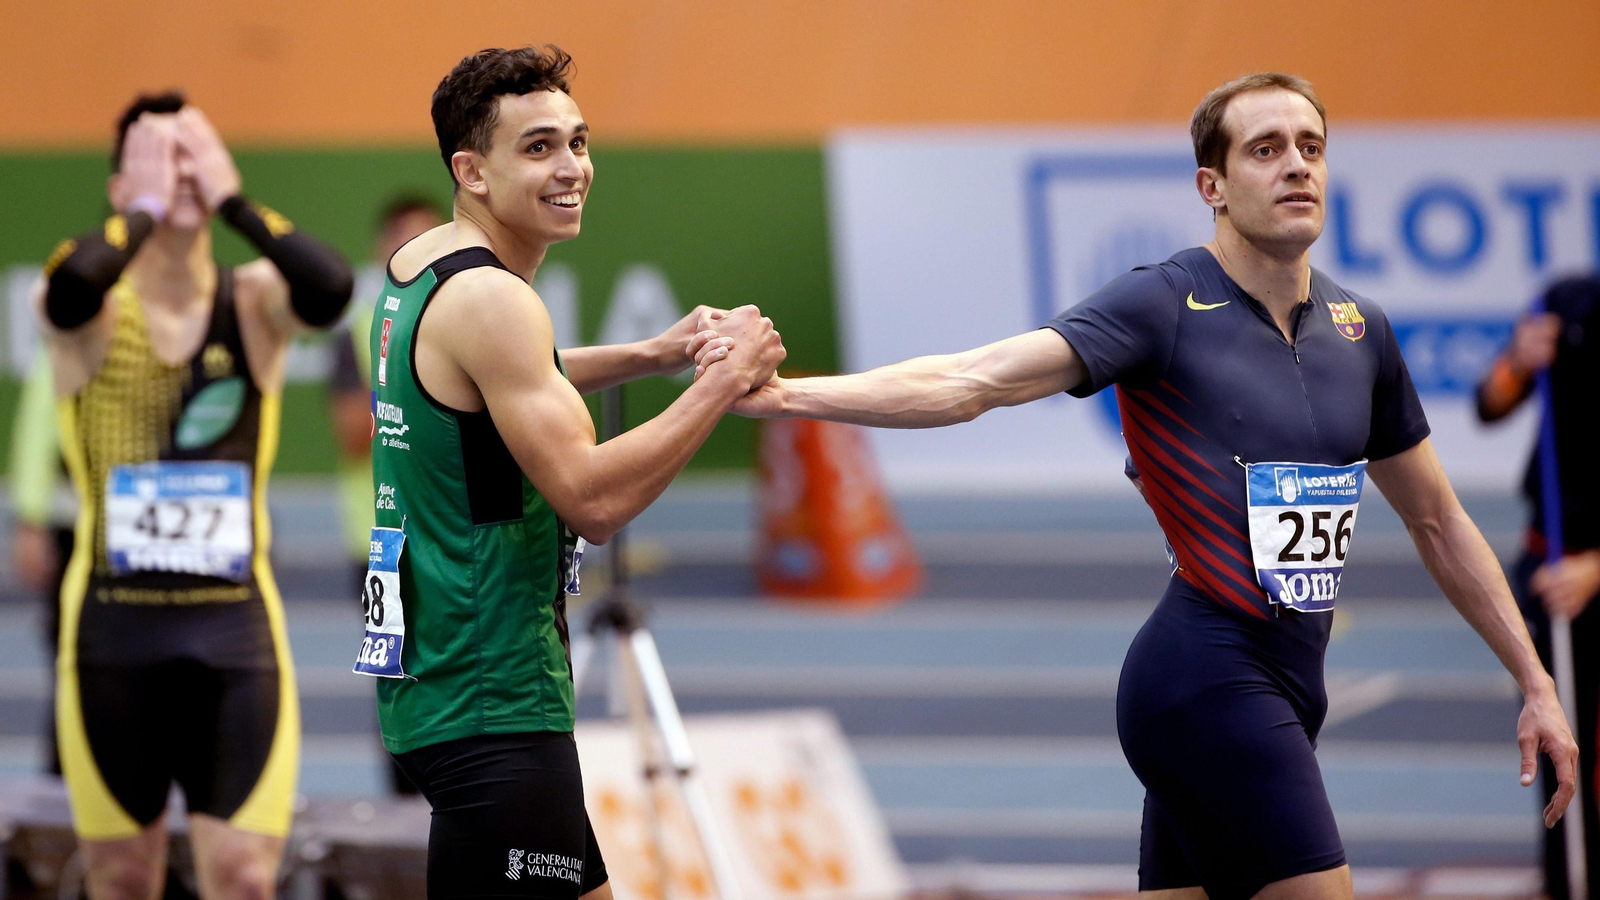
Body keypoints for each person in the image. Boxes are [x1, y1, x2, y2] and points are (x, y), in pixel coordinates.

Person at [710, 72, 1577, 899]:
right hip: (1205, 675)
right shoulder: (1162, 304)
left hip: (1290, 678)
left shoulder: (1362, 330)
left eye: (1311, 145)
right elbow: (973, 380)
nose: (1297, 165)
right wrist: (790, 397)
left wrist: (1535, 683)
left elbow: (1437, 519)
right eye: (1266, 149)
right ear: (1214, 184)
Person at [359, 46, 783, 900]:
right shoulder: (495, 301)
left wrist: (651, 352)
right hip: (494, 697)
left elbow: (505, 383)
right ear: (470, 169)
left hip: (434, 679)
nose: (572, 170)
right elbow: (592, 498)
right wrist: (719, 385)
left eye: (578, 142)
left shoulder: (421, 268)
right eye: (539, 148)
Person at [37, 91, 353, 899]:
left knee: (246, 877)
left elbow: (329, 287)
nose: (180, 173)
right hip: (112, 636)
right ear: (120, 191)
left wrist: (236, 201)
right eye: (157, 159)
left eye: (194, 155)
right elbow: (72, 283)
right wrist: (146, 211)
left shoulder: (253, 299)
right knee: (121, 878)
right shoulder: (89, 308)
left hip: (234, 635)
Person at [1475, 275, 1600, 900]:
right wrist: (1518, 363)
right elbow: (1489, 403)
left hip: (1589, 570)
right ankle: (1564, 881)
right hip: (1550, 562)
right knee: (1561, 742)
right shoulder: (1567, 301)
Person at [8, 351, 76, 775]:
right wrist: (31, 517)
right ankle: (62, 790)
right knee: (73, 664)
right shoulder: (79, 310)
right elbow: (39, 417)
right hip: (77, 527)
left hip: (160, 537)